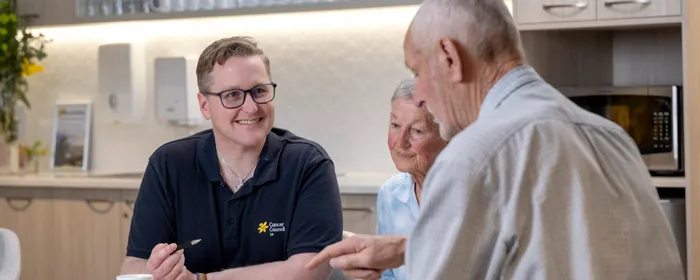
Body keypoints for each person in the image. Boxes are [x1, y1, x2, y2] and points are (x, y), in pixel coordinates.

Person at [306, 0, 686, 279]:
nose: (419, 94)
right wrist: (406, 249)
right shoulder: (610, 135)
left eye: (418, 71)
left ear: (450, 57)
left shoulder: (476, 156)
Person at [120, 36, 343, 280]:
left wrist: (202, 279)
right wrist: (155, 270)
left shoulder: (308, 164)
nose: (251, 107)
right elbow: (133, 265)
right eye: (233, 95)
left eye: (260, 91)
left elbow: (312, 268)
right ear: (204, 105)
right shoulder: (168, 164)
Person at [376, 77, 447, 280]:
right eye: (395, 125)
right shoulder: (389, 194)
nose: (400, 142)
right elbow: (387, 273)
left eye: (417, 131)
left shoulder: (471, 196)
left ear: (448, 135)